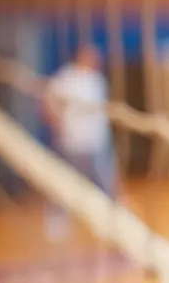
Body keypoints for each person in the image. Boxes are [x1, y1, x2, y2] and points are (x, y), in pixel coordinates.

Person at [41, 44, 119, 242]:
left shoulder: (97, 80)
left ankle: (110, 225)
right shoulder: (65, 78)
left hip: (96, 143)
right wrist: (58, 126)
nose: (95, 61)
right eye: (91, 56)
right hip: (71, 143)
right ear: (81, 56)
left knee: (105, 186)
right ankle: (56, 223)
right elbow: (46, 103)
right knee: (64, 182)